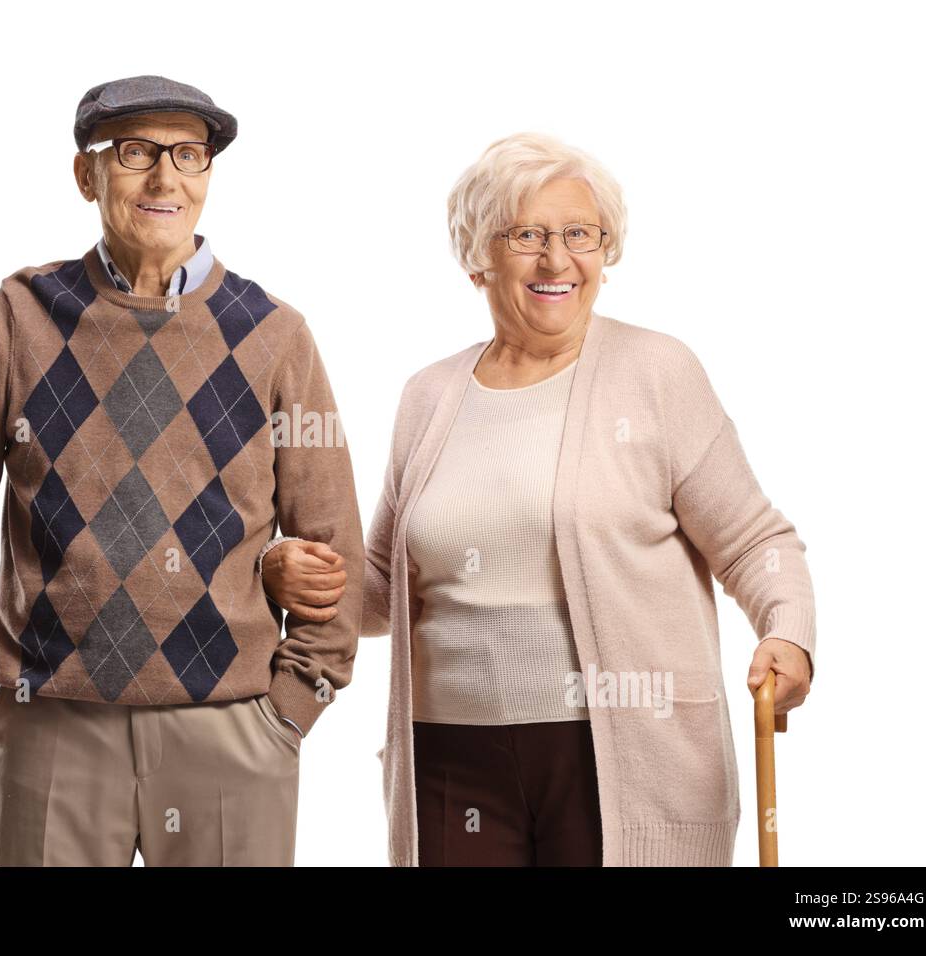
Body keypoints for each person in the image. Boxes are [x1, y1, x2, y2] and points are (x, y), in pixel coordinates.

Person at [261, 131, 816, 866]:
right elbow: (387, 589)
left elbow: (753, 541)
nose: (558, 260)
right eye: (527, 234)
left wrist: (788, 630)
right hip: (452, 759)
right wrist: (283, 572)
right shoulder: (430, 396)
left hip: (616, 756)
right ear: (477, 257)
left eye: (580, 234)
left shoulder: (657, 373)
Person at [0, 74, 364, 866]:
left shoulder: (275, 335)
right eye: (136, 151)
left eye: (189, 154)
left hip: (232, 732)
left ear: (209, 175)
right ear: (87, 174)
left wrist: (286, 715)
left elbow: (333, 547)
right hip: (53, 729)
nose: (166, 177)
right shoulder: (22, 316)